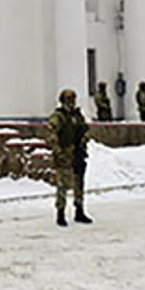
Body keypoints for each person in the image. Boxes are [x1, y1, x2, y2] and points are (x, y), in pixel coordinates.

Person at [47, 89, 92, 227]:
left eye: (72, 99)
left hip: (77, 153)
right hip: (65, 155)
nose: (71, 102)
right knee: (62, 185)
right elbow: (52, 135)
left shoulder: (77, 116)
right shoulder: (58, 117)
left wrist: (84, 140)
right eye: (68, 99)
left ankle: (79, 210)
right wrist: (58, 152)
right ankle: (61, 213)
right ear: (62, 100)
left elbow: (85, 130)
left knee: (79, 183)